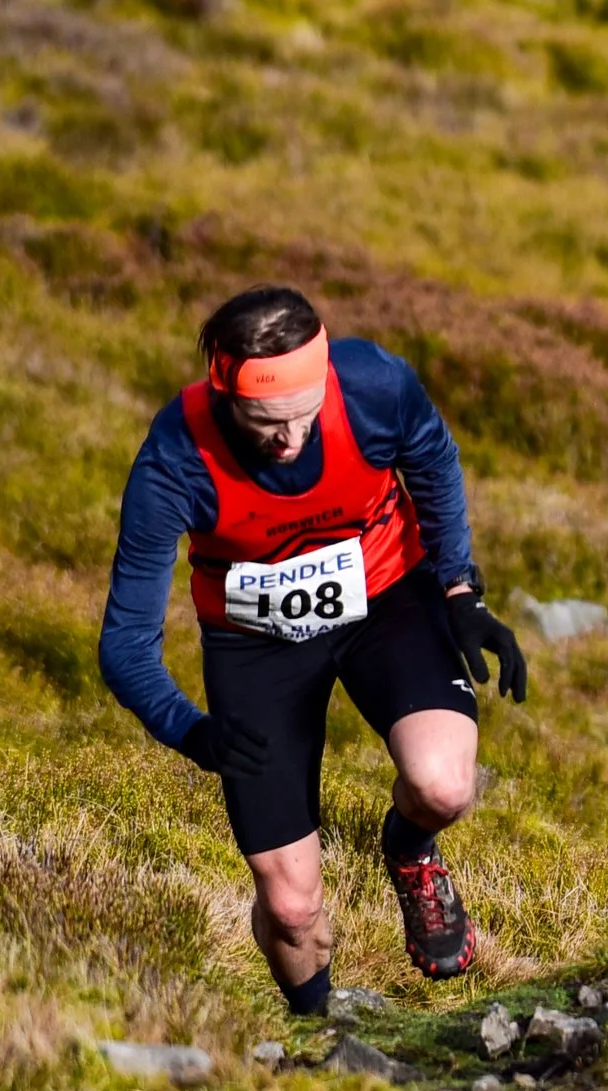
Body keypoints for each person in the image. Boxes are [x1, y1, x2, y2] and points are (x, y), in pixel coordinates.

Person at [97, 285, 526, 1014]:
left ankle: (411, 851)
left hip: (385, 597)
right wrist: (192, 731)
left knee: (444, 785)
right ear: (224, 392)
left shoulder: (372, 386)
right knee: (292, 908)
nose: (290, 443)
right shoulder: (175, 457)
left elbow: (434, 462)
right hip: (254, 643)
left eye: (302, 418)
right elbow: (125, 645)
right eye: (265, 425)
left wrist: (460, 590)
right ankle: (316, 1029)